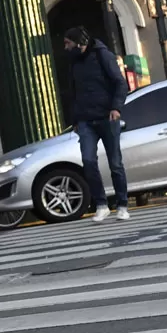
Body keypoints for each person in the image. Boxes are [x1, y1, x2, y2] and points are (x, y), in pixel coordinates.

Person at [63, 26, 130, 222]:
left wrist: (116, 108)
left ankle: (122, 205)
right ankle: (101, 204)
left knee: (115, 163)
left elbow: (120, 83)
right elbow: (72, 93)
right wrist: (75, 120)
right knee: (88, 161)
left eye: (68, 43)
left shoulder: (103, 56)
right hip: (85, 120)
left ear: (79, 42)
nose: (66, 48)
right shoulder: (73, 63)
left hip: (107, 117)